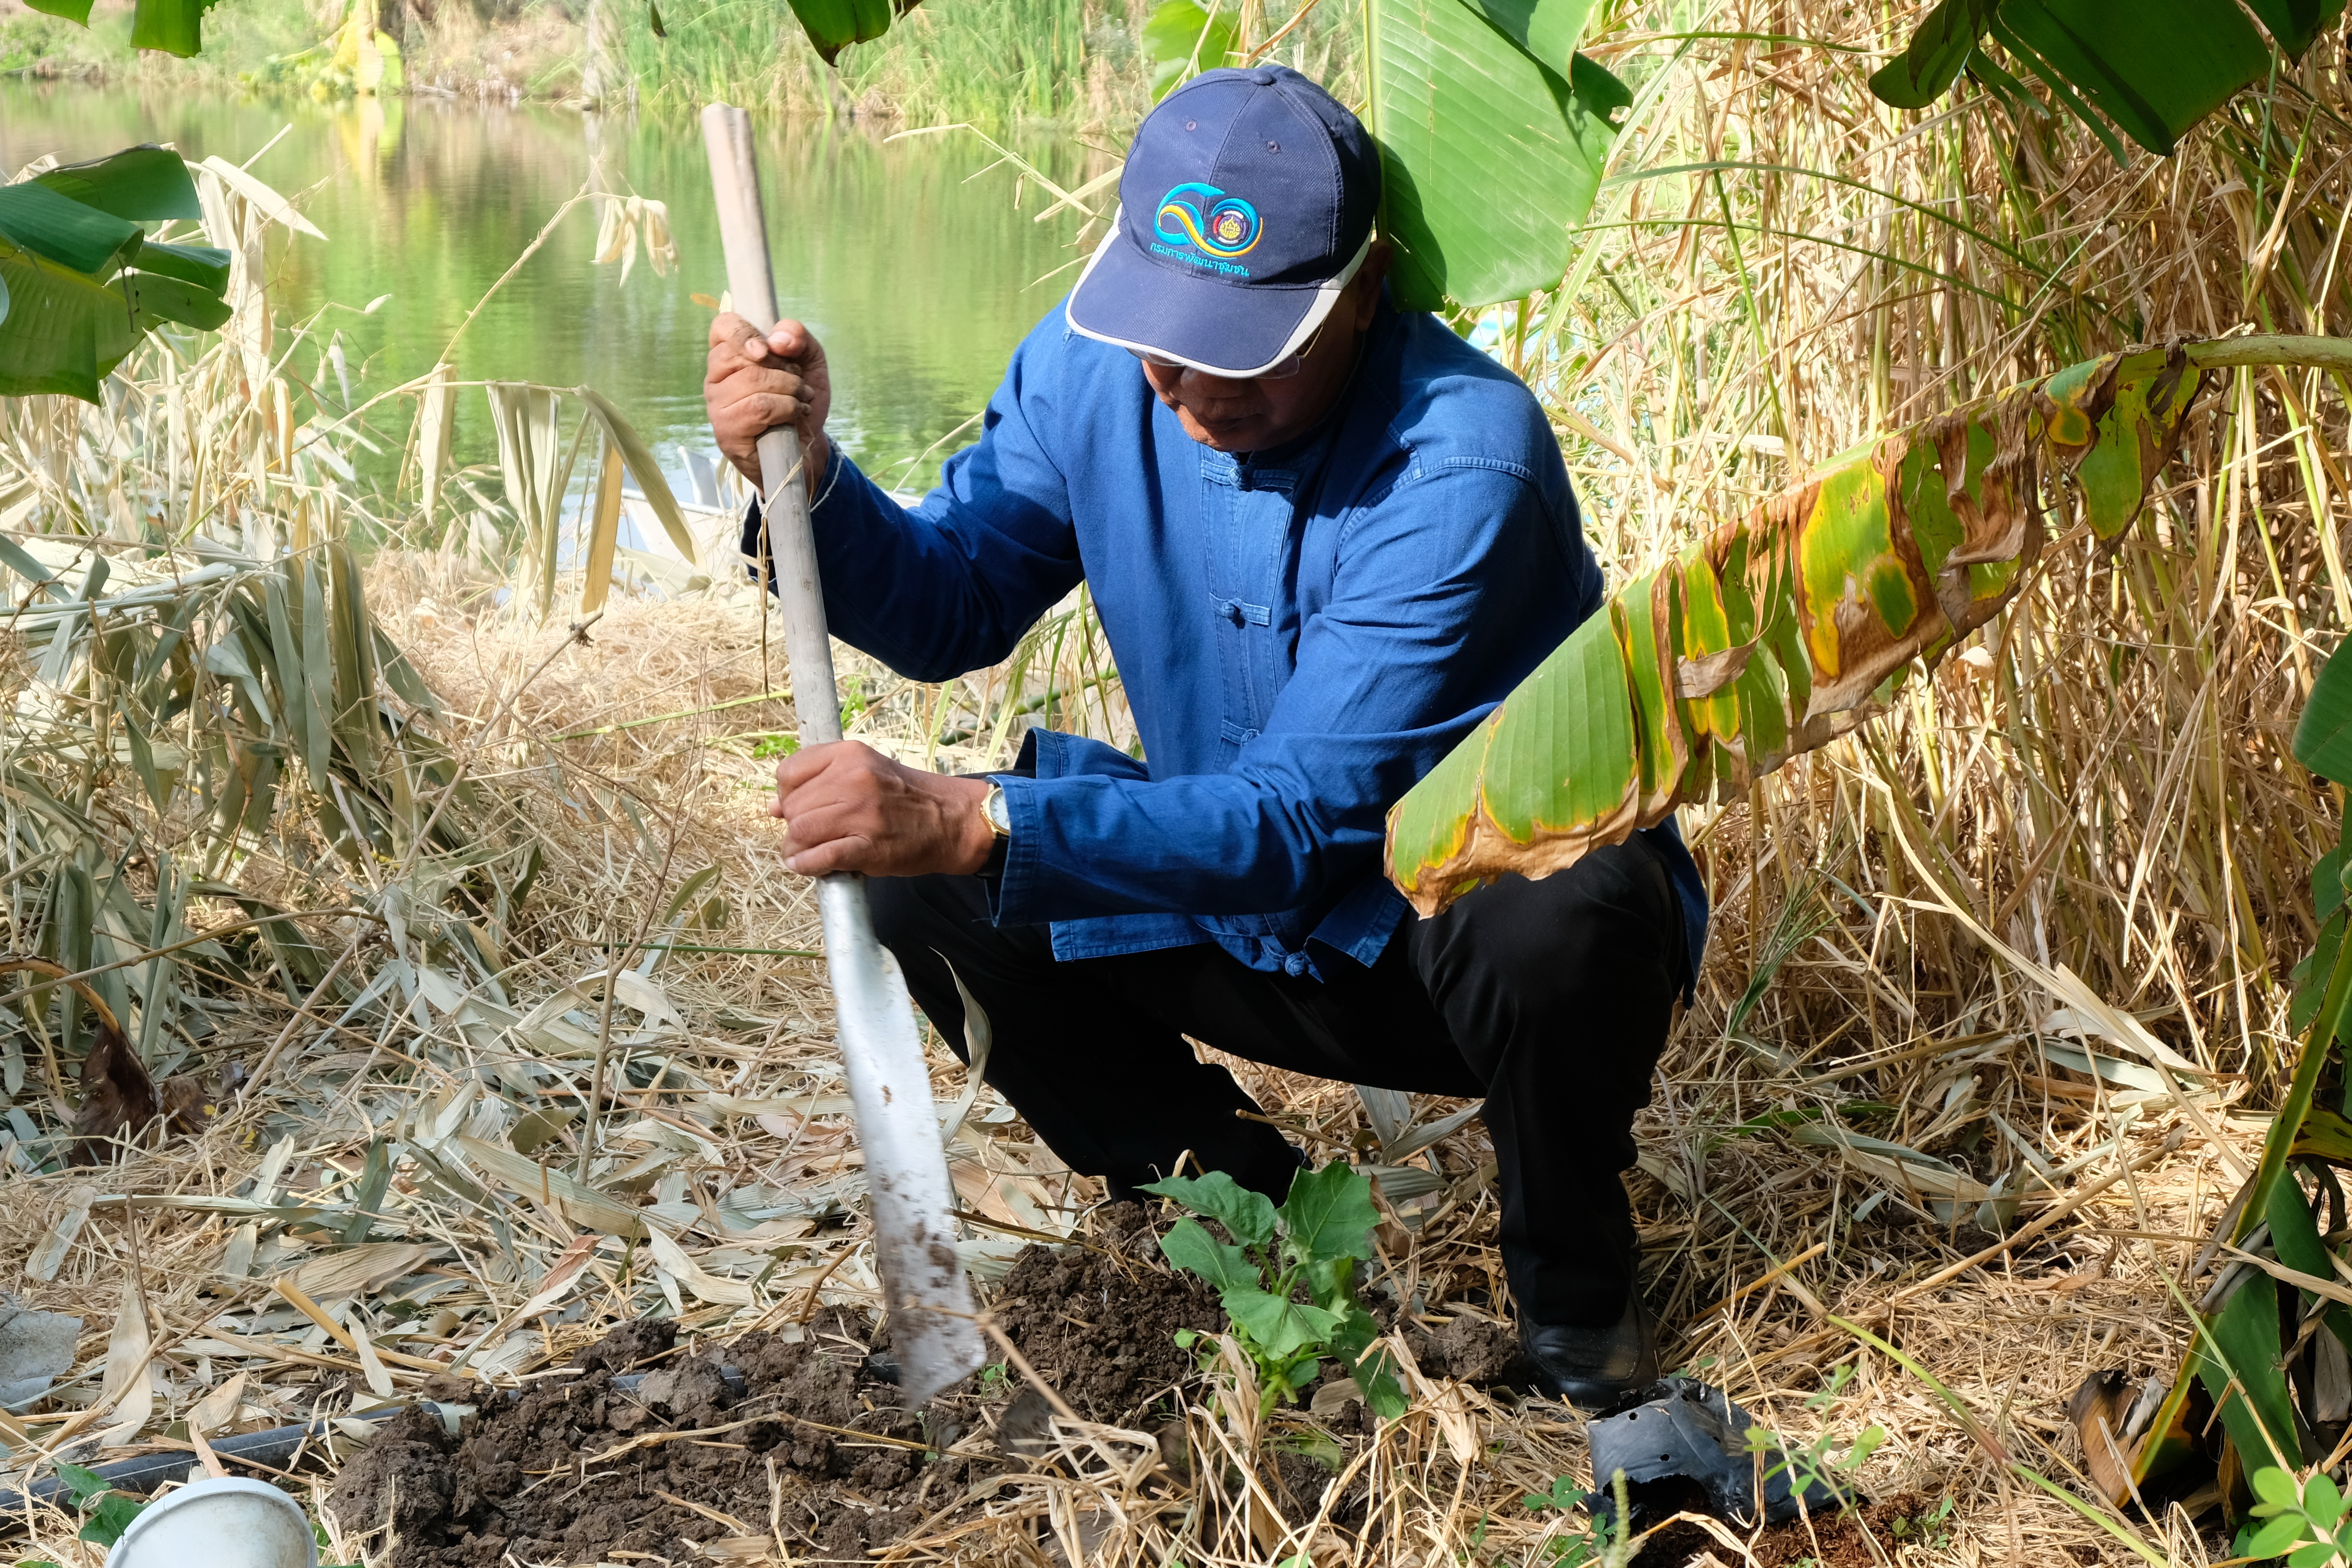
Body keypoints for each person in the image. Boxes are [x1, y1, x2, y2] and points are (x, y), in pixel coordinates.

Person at [702, 64, 1708, 1412]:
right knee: (916, 878)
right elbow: (952, 604)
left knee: (1557, 906)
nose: (1185, 385)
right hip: (1232, 917)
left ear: (1357, 295)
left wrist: (977, 813)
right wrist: (810, 475)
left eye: (1248, 353)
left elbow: (1296, 822)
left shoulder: (1466, 461)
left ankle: (1583, 1321)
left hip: (1434, 948)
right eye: (1163, 336)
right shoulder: (1090, 373)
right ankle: (1258, 1240)